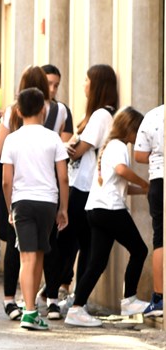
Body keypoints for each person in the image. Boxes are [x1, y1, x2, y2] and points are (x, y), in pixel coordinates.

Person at [0, 66, 69, 321]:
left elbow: (6, 181)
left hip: (22, 202)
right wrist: (63, 208)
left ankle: (28, 310)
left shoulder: (12, 140)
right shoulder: (54, 138)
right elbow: (64, 177)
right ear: (44, 109)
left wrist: (10, 207)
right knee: (37, 256)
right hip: (48, 202)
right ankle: (33, 308)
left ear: (17, 111)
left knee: (26, 257)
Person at [65, 107, 149, 327]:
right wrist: (143, 182)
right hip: (111, 210)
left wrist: (144, 189)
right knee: (140, 250)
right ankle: (129, 300)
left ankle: (76, 308)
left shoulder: (108, 147)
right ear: (129, 128)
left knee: (97, 263)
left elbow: (117, 183)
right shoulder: (119, 146)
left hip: (96, 210)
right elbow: (121, 170)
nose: (139, 135)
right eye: (138, 130)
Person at [59, 64, 118, 304]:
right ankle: (71, 297)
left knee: (83, 245)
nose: (83, 84)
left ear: (97, 85)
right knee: (82, 245)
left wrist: (66, 145)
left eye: (86, 79)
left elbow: (77, 150)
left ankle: (72, 299)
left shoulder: (101, 115)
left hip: (86, 187)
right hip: (84, 186)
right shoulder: (99, 114)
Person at [134, 104, 164, 317]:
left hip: (158, 180)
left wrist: (156, 155)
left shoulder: (153, 115)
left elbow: (139, 155)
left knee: (160, 237)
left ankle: (160, 298)